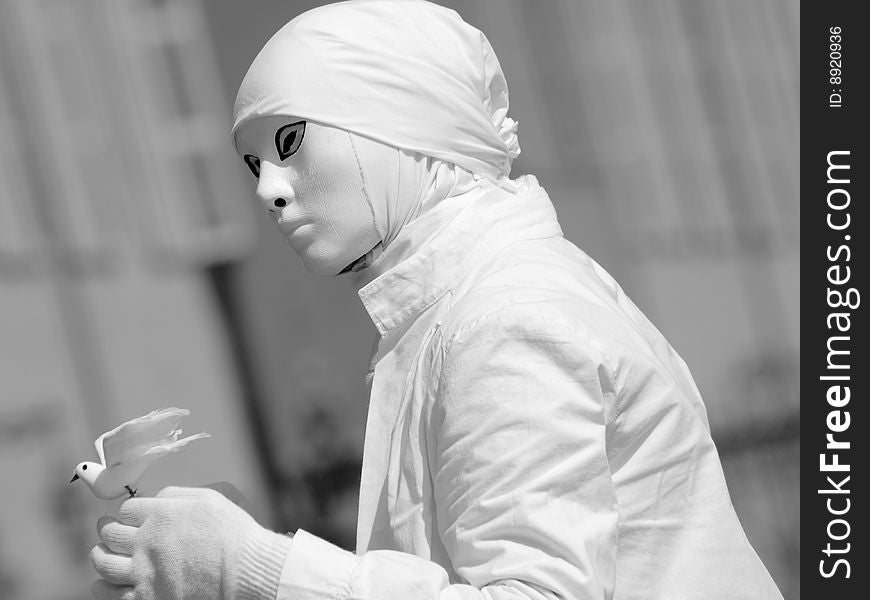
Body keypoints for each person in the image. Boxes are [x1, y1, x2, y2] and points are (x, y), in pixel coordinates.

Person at [89, 1, 784, 599]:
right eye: (254, 164)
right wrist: (235, 563)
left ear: (407, 118)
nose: (269, 189)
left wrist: (259, 569)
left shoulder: (504, 320)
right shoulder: (462, 311)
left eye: (291, 141)